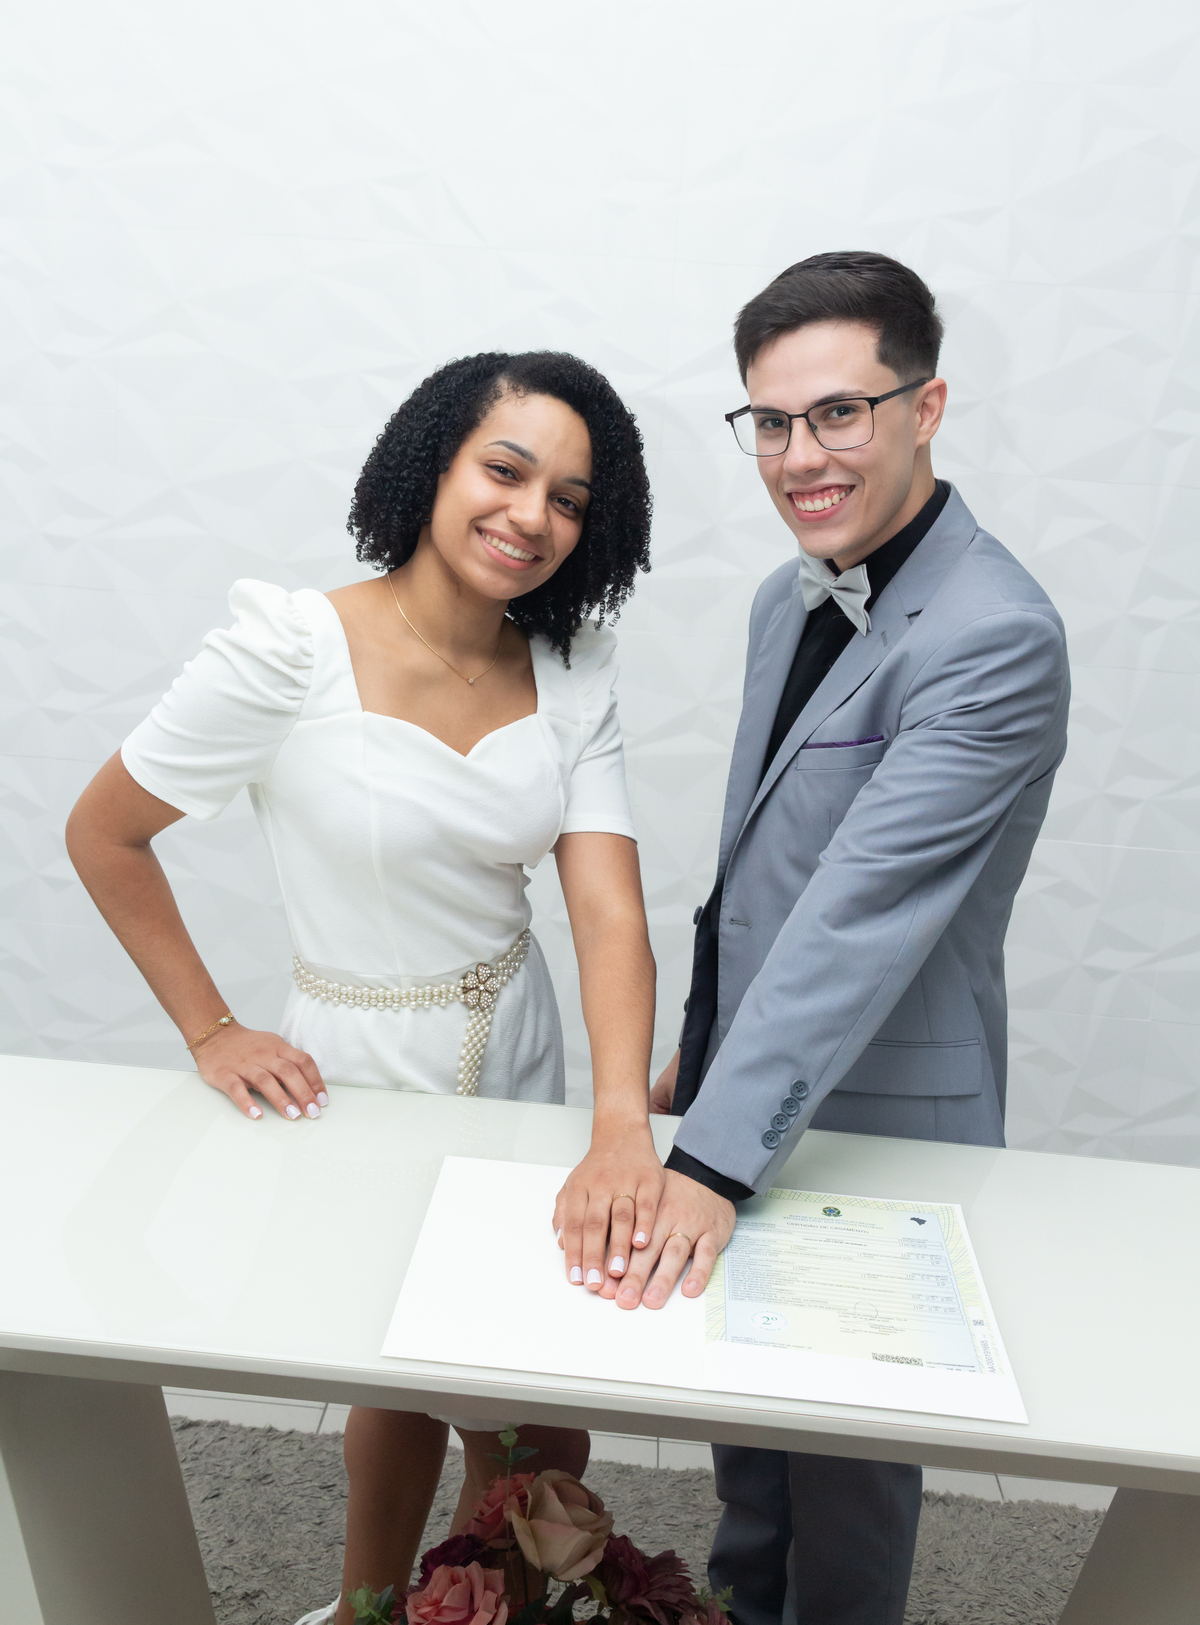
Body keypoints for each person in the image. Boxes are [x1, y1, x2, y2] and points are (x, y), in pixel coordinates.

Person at [66, 350, 666, 1625]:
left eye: (569, 500)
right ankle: (365, 1608)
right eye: (505, 471)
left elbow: (608, 912)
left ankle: (478, 1604)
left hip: (515, 1047)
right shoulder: (290, 647)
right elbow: (105, 833)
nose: (532, 516)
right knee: (391, 1374)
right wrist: (211, 1028)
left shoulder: (573, 669)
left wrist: (621, 1123)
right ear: (433, 465)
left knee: (540, 1413)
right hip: (355, 1063)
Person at [612, 253, 1070, 1625]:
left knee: (850, 1483)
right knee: (751, 1457)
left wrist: (708, 1155)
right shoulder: (788, 595)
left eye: (838, 413)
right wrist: (700, 1062)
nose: (799, 456)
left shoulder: (996, 633)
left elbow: (858, 914)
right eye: (770, 421)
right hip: (748, 1087)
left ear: (926, 407)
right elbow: (758, 877)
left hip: (882, 1120)